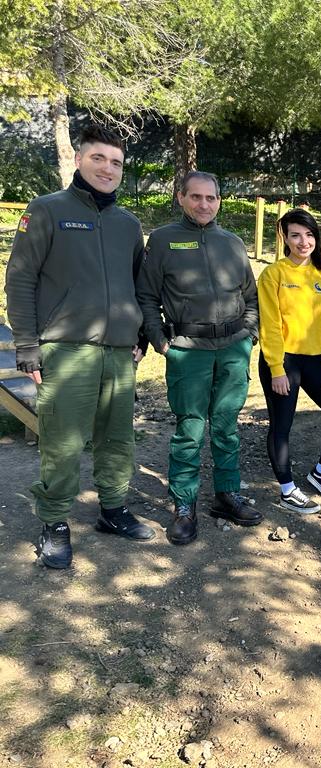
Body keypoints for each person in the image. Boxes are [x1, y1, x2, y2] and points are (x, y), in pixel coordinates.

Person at [5, 124, 154, 568]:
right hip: (65, 351)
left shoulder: (128, 224)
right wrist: (27, 344)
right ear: (79, 159)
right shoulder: (47, 210)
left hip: (119, 353)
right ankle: (54, 521)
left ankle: (113, 508)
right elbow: (21, 278)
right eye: (99, 159)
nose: (108, 168)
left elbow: (137, 283)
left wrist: (140, 334)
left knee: (117, 437)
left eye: (116, 162)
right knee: (63, 442)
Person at [136, 171, 262, 545]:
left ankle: (227, 494)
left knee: (226, 426)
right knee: (189, 430)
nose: (203, 204)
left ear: (219, 201)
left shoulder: (232, 243)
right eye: (196, 197)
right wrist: (160, 341)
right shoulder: (162, 240)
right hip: (187, 351)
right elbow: (146, 297)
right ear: (181, 198)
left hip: (233, 349)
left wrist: (249, 335)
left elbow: (251, 296)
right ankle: (184, 505)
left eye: (211, 198)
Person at [257, 208, 321, 514]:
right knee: (282, 426)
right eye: (295, 234)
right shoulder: (274, 274)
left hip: (315, 362)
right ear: (284, 237)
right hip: (283, 362)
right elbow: (269, 325)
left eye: (309, 234)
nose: (303, 241)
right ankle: (287, 490)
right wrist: (276, 369)